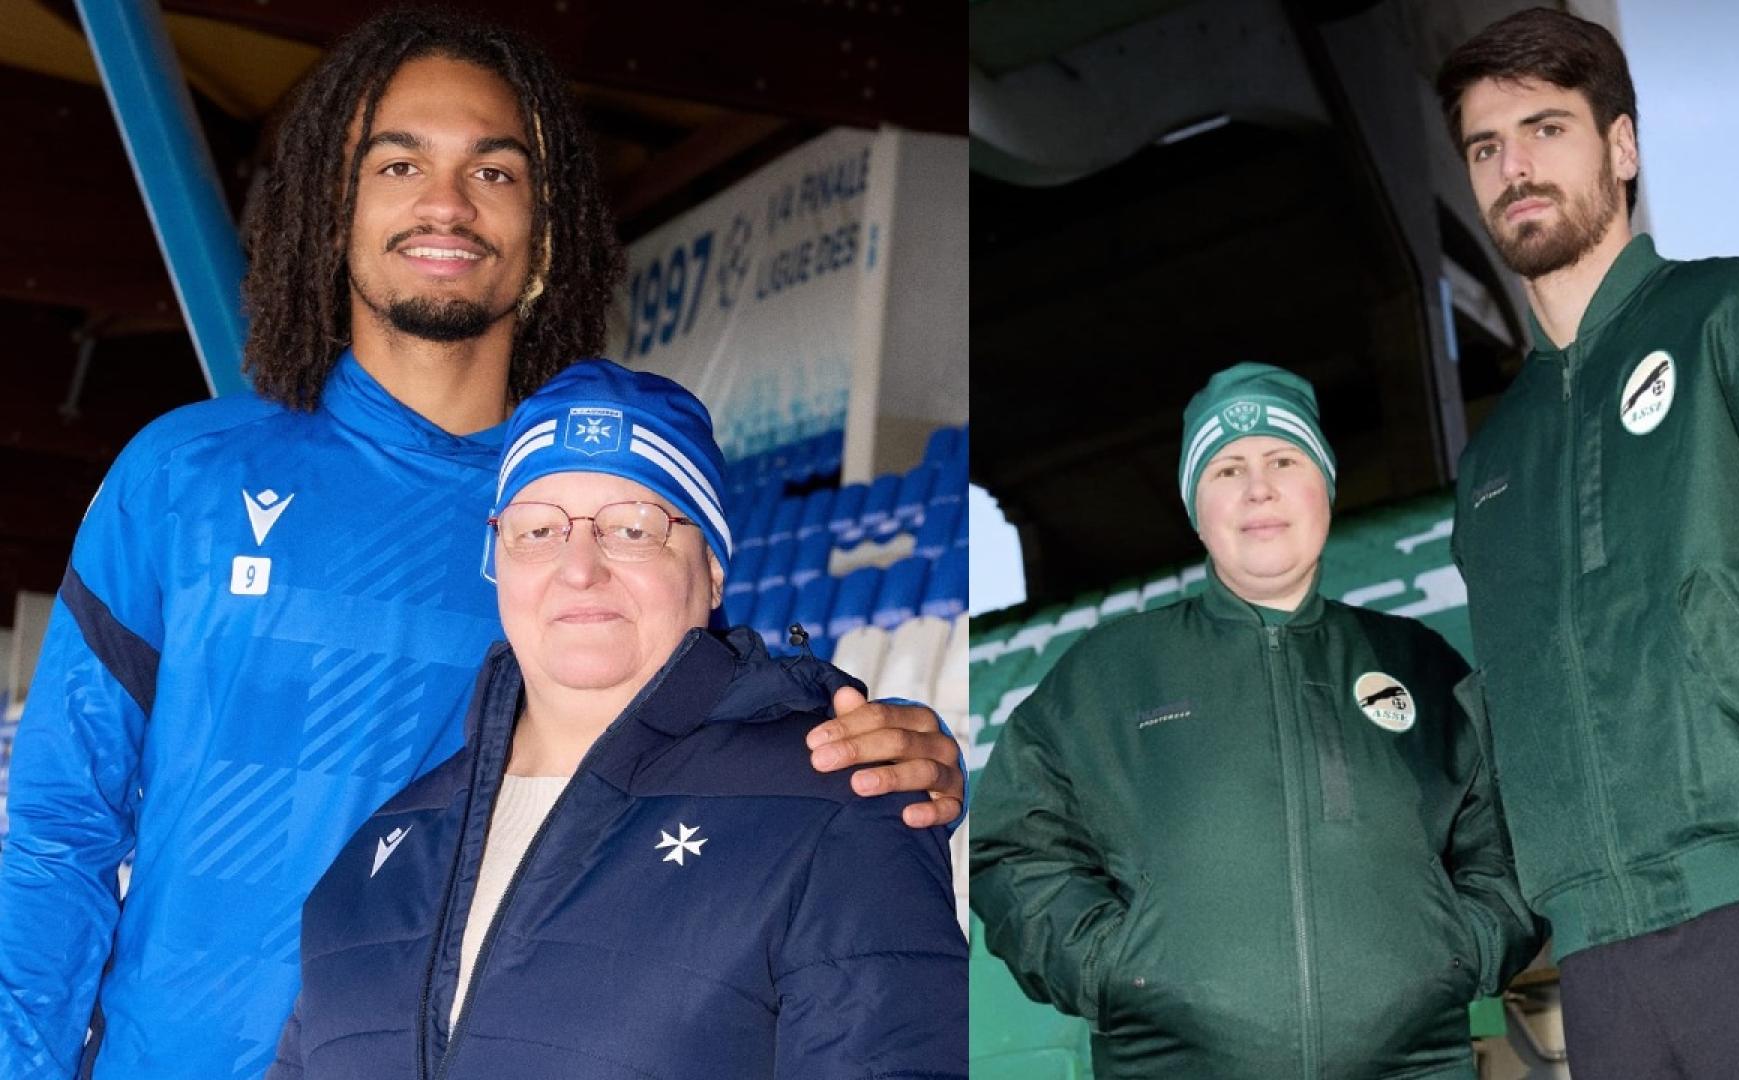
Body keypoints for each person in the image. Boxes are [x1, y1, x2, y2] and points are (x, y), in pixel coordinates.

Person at [0, 11, 962, 1080]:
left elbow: (715, 742)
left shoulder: (588, 525)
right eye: (400, 162)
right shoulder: (183, 475)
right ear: (335, 207)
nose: (446, 203)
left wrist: (886, 753)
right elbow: (58, 825)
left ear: (546, 233)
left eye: (495, 172)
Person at [266, 360, 966, 1079]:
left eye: (633, 527)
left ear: (714, 566)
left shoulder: (834, 807)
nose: (578, 567)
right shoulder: (380, 850)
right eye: (538, 530)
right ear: (496, 559)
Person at [1437, 9, 1739, 1077]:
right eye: (1487, 148)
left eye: (1547, 129)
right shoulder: (1493, 467)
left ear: (1622, 149)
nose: (1515, 168)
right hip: (1600, 961)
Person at [970, 362, 1539, 1078]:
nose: (1258, 487)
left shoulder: (1420, 663)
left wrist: (1467, 947)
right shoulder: (1109, 674)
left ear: (1323, 487)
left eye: (1283, 458)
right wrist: (1108, 968)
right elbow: (1015, 849)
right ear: (1197, 510)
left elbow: (1510, 837)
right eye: (1226, 469)